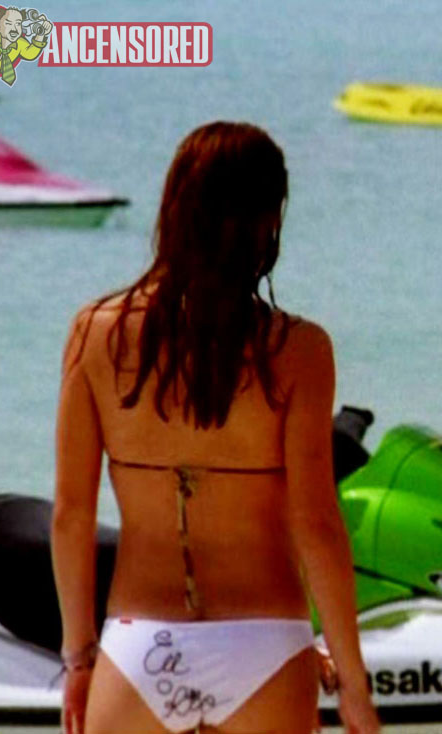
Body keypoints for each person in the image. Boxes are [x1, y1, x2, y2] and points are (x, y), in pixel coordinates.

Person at [51, 122, 380, 734]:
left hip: (141, 644)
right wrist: (354, 683)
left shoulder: (94, 334)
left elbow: (71, 515)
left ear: (173, 209)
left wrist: (79, 658)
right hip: (265, 644)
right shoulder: (299, 351)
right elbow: (317, 526)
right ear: (269, 220)